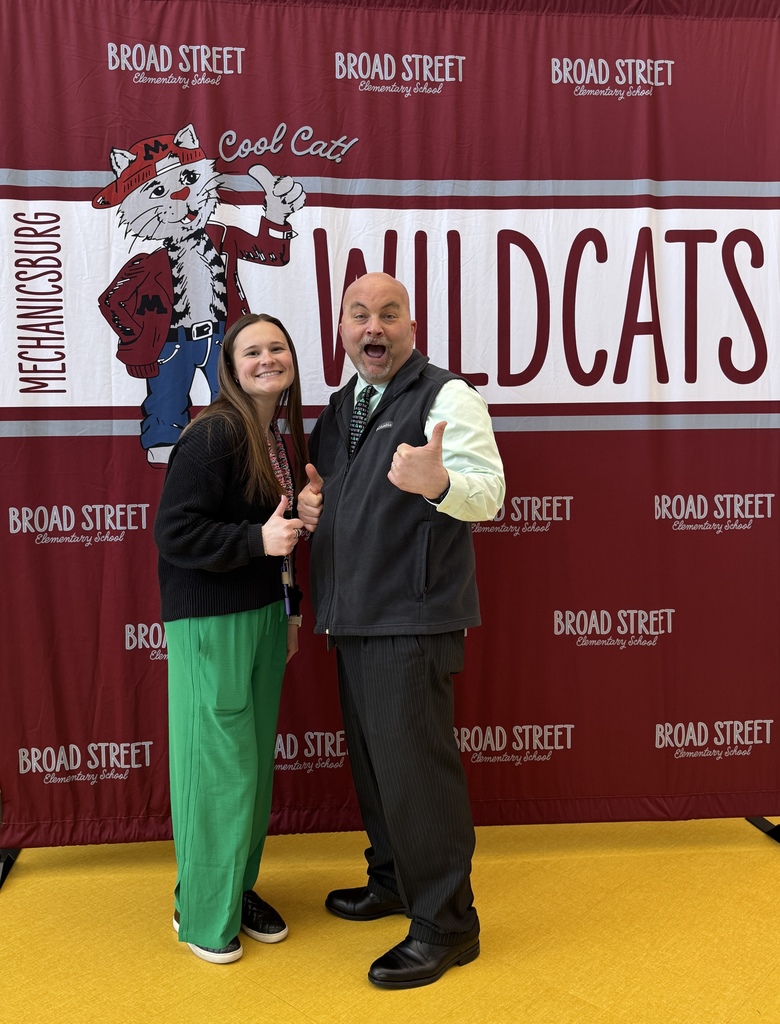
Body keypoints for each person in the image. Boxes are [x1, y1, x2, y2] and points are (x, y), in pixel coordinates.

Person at [297, 272, 505, 989]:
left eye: (389, 314)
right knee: (377, 768)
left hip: (410, 619)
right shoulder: (344, 405)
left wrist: (439, 483)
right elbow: (330, 494)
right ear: (343, 330)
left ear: (411, 327)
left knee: (417, 774)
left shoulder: (448, 396)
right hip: (352, 619)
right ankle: (391, 879)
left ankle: (447, 923)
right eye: (360, 316)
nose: (373, 328)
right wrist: (312, 504)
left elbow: (491, 494)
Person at [154, 312, 306, 964]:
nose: (267, 358)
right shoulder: (214, 431)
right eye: (252, 351)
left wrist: (291, 612)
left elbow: (281, 539)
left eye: (276, 347)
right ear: (231, 367)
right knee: (219, 771)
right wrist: (256, 541)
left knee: (249, 771)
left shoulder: (273, 436)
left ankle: (232, 889)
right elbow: (175, 532)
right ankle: (202, 916)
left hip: (262, 618)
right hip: (212, 620)